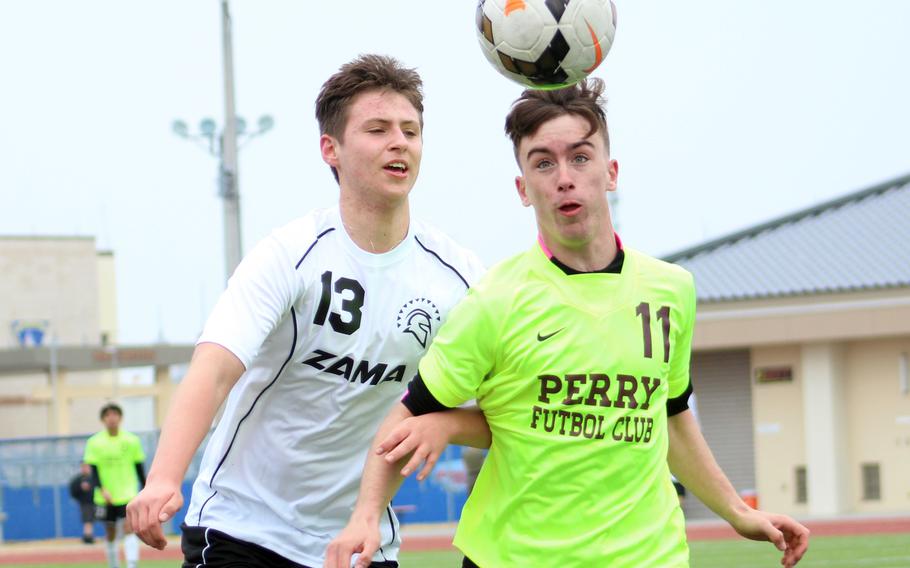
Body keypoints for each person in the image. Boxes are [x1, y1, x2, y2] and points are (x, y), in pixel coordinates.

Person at [326, 79, 810, 568]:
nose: (564, 177)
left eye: (580, 157)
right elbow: (405, 416)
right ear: (523, 188)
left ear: (610, 171)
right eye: (543, 162)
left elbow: (671, 418)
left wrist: (737, 513)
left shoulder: (672, 290)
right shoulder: (495, 301)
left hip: (649, 556)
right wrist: (366, 515)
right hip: (516, 556)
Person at [126, 54, 487, 568]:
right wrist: (163, 477)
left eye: (411, 130)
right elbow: (214, 370)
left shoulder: (458, 277)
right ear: (330, 149)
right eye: (378, 129)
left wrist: (447, 426)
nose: (399, 142)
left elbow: (508, 409)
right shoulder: (290, 255)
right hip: (243, 528)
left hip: (361, 541)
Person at [84, 402, 146, 568]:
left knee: (129, 528)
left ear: (120, 418)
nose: (111, 418)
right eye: (107, 415)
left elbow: (139, 467)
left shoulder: (132, 440)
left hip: (128, 493)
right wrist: (102, 489)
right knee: (110, 533)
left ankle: (132, 565)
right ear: (103, 419)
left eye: (115, 415)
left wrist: (146, 488)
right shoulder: (94, 442)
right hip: (105, 496)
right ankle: (114, 564)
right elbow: (93, 470)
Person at [68, 462, 96, 544]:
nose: (85, 468)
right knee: (88, 520)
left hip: (98, 502)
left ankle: (109, 536)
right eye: (83, 467)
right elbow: (73, 490)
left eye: (87, 467)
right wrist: (81, 488)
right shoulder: (78, 480)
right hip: (85, 503)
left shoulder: (95, 477)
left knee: (104, 519)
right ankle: (88, 537)